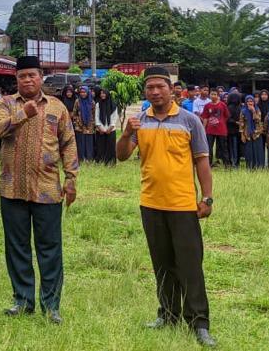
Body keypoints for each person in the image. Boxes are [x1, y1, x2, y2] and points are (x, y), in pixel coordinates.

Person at [116, 66, 216, 348]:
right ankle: (167, 314)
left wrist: (207, 197)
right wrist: (125, 135)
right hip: (150, 203)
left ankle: (199, 322)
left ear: (172, 89)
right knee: (162, 264)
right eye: (150, 88)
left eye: (160, 86)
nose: (155, 92)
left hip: (183, 204)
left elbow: (201, 161)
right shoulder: (139, 122)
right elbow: (122, 156)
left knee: (190, 265)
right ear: (145, 91)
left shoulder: (190, 121)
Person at [0, 55, 78, 325]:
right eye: (22, 76)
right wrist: (21, 115)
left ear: (41, 77)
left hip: (48, 190)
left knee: (50, 248)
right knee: (17, 247)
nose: (27, 80)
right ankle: (23, 300)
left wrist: (71, 178)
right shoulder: (5, 104)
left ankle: (51, 306)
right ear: (16, 79)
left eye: (32, 75)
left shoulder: (57, 107)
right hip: (12, 189)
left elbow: (69, 143)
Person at [200, 89, 229, 167]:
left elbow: (227, 116)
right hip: (210, 130)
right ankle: (208, 164)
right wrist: (203, 128)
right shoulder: (207, 106)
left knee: (224, 148)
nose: (213, 96)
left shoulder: (223, 105)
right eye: (212, 94)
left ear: (218, 96)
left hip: (221, 130)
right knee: (209, 147)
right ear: (209, 95)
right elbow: (205, 117)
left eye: (215, 94)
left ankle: (226, 164)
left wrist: (221, 122)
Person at [93, 87, 118, 165]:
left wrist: (110, 128)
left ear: (107, 94)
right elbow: (96, 116)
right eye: (101, 93)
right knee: (100, 146)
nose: (102, 95)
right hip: (100, 129)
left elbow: (114, 117)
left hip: (111, 129)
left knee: (110, 146)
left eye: (104, 93)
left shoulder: (113, 104)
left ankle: (110, 162)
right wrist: (100, 128)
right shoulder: (98, 104)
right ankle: (100, 161)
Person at [239, 95, 265, 170]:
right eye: (248, 101)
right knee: (249, 151)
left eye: (251, 101)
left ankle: (259, 166)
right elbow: (241, 123)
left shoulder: (257, 110)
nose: (250, 103)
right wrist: (242, 135)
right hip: (248, 134)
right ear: (245, 102)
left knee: (258, 150)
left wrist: (253, 111)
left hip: (257, 133)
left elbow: (258, 120)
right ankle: (250, 167)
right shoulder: (243, 111)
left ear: (254, 102)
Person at [72, 86, 95, 162]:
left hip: (89, 126)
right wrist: (76, 122)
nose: (83, 94)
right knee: (80, 142)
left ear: (87, 92)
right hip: (79, 126)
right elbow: (74, 113)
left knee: (89, 143)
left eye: (84, 92)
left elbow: (94, 114)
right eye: (81, 92)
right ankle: (81, 159)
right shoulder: (77, 101)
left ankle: (89, 158)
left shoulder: (92, 102)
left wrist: (93, 124)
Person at [225, 89, 243, 169]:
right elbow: (228, 118)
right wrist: (236, 122)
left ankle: (235, 162)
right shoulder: (230, 107)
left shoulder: (240, 107)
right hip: (232, 131)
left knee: (235, 147)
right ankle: (234, 163)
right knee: (234, 147)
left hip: (237, 131)